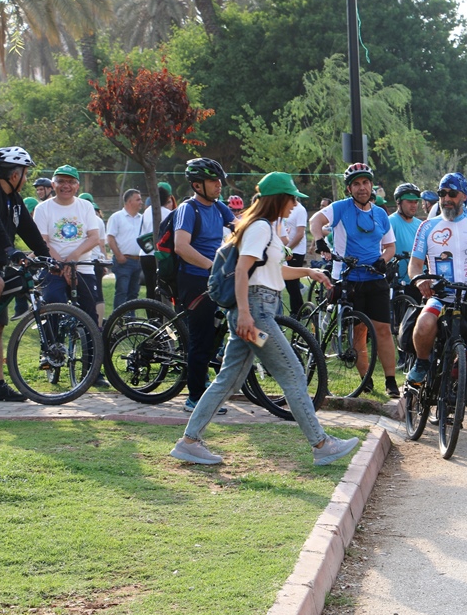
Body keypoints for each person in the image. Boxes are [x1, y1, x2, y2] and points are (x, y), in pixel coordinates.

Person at [170, 173, 360, 466]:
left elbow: (272, 271)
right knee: (293, 373)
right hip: (256, 315)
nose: (295, 204)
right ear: (279, 199)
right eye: (292, 198)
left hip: (253, 315)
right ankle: (322, 444)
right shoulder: (260, 228)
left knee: (227, 380)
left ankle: (189, 441)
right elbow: (243, 272)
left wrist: (309, 272)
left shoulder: (264, 228)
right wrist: (245, 315)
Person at [406, 173, 467, 448]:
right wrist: (420, 279)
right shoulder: (428, 227)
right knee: (424, 324)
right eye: (442, 194)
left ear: (464, 196)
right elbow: (414, 265)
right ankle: (423, 362)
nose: (446, 199)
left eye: (451, 193)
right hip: (442, 296)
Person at [310, 163, 400, 398]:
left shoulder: (380, 213)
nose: (362, 188)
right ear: (349, 188)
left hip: (375, 278)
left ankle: (391, 382)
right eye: (357, 184)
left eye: (366, 183)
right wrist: (320, 242)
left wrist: (383, 259)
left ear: (372, 185)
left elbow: (390, 246)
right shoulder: (340, 208)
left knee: (383, 330)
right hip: (348, 278)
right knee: (359, 332)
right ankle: (365, 380)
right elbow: (314, 222)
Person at [174, 158, 238, 412]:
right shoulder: (189, 209)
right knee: (200, 339)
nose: (219, 185)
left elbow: (240, 228)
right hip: (194, 278)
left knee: (217, 331)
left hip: (215, 277)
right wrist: (212, 265)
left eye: (219, 180)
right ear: (197, 184)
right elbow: (181, 246)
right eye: (213, 181)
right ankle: (195, 398)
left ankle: (205, 377)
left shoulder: (218, 207)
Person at [0, 147, 50, 401]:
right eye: (25, 174)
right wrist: (10, 250)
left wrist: (46, 257)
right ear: (15, 175)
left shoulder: (14, 199)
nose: (27, 179)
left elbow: (28, 228)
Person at [33, 166, 102, 329]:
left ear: (77, 186)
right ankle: (52, 350)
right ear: (53, 184)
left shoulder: (85, 206)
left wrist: (74, 257)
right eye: (61, 181)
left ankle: (95, 353)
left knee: (90, 314)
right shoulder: (42, 208)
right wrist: (62, 265)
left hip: (83, 267)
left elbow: (94, 238)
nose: (66, 186)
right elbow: (42, 242)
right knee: (53, 305)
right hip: (53, 267)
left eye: (71, 182)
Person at [106, 189, 144, 311]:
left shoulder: (142, 218)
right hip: (123, 261)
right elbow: (110, 238)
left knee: (134, 293)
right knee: (122, 291)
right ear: (129, 201)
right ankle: (118, 320)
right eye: (138, 199)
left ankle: (130, 319)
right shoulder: (117, 217)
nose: (141, 202)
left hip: (138, 261)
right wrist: (119, 256)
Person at [140, 185, 174, 301]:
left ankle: (151, 317)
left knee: (150, 288)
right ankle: (161, 315)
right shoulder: (168, 213)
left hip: (145, 253)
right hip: (159, 254)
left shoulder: (146, 211)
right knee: (160, 287)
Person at [81, 193, 108, 324]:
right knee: (98, 294)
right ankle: (98, 325)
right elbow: (101, 243)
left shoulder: (80, 217)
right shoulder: (98, 220)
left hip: (84, 260)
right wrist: (104, 261)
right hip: (97, 260)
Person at [388, 182, 423, 285]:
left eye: (416, 202)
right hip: (399, 283)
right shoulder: (390, 222)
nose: (413, 205)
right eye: (409, 202)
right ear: (399, 202)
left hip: (420, 281)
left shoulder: (421, 225)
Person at [280, 197, 308, 317]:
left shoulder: (300, 210)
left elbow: (300, 234)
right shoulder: (285, 209)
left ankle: (297, 311)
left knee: (292, 282)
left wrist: (288, 249)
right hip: (288, 249)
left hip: (296, 251)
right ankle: (299, 310)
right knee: (291, 283)